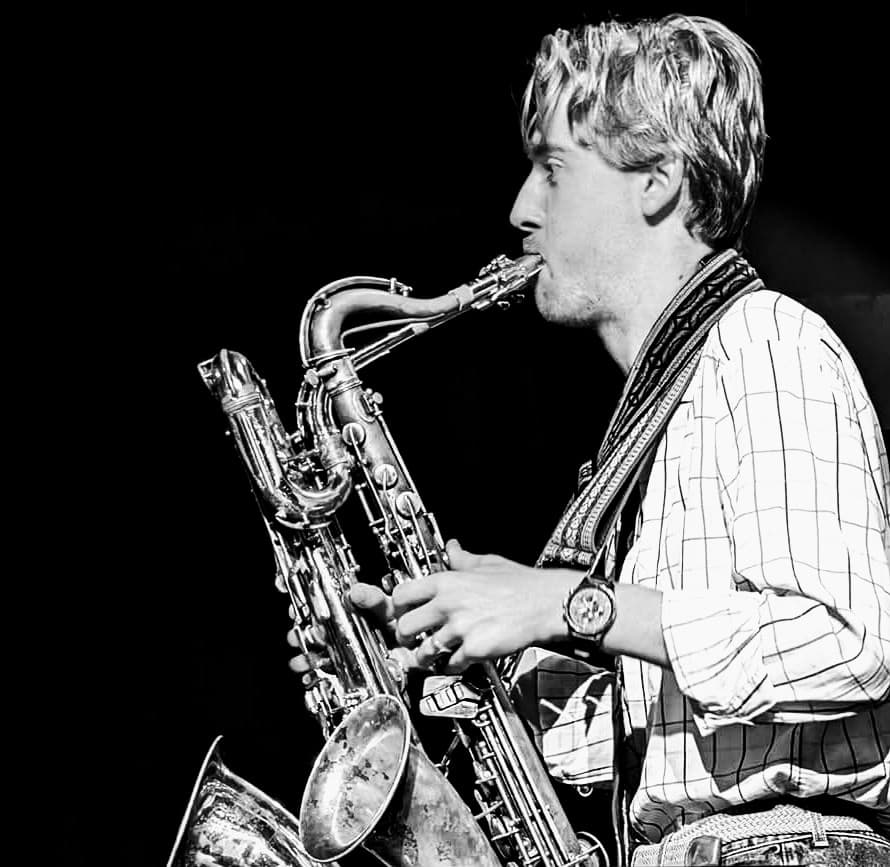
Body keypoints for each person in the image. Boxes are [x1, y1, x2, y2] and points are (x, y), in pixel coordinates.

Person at [291, 13, 889, 866]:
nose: (520, 209)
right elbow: (656, 726)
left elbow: (850, 640)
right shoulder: (656, 422)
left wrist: (563, 603)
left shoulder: (766, 342)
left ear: (657, 180)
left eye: (552, 169)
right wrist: (431, 657)